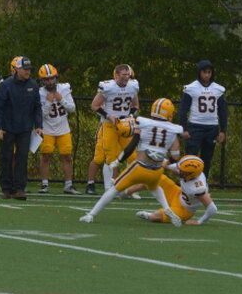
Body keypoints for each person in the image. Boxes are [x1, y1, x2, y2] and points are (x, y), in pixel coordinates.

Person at [79, 98, 184, 226]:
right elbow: (175, 156)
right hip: (157, 170)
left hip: (139, 167)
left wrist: (118, 160)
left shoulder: (143, 122)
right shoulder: (174, 130)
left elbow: (131, 146)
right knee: (155, 187)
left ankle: (91, 214)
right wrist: (166, 163)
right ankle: (167, 209)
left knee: (114, 189)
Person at [0, 57, 43, 200]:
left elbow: (37, 106)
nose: (28, 72)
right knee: (6, 157)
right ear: (17, 69)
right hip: (7, 127)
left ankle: (20, 188)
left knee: (22, 158)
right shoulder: (6, 85)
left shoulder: (33, 85)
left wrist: (38, 125)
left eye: (29, 69)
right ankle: (6, 189)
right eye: (25, 69)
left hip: (25, 128)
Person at [86, 64, 139, 195]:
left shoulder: (133, 86)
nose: (126, 77)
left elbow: (135, 106)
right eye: (123, 75)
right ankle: (108, 188)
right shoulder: (108, 87)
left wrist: (130, 115)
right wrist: (109, 116)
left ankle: (131, 188)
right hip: (109, 125)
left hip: (125, 125)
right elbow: (94, 105)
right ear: (116, 75)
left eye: (128, 75)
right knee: (109, 157)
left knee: (133, 156)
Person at [133, 155, 218, 225]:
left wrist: (199, 222)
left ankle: (149, 215)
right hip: (177, 193)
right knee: (155, 177)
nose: (179, 171)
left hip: (184, 210)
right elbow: (169, 166)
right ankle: (128, 190)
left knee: (154, 217)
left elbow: (212, 208)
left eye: (183, 171)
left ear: (191, 174)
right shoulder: (191, 172)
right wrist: (154, 159)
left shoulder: (198, 188)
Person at [178, 60, 227, 179]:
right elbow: (183, 110)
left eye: (209, 72)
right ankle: (188, 181)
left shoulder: (218, 89)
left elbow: (223, 111)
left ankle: (203, 182)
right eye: (204, 72)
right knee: (191, 157)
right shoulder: (191, 88)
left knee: (207, 158)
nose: (207, 75)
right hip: (195, 126)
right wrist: (184, 129)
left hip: (212, 127)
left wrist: (223, 130)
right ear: (199, 72)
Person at [37, 64, 80, 194]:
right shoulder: (39, 93)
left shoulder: (64, 88)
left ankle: (68, 185)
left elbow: (72, 108)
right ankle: (44, 184)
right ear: (42, 81)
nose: (50, 82)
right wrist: (48, 103)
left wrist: (62, 100)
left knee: (67, 156)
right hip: (47, 129)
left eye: (52, 78)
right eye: (47, 79)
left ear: (56, 78)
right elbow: (41, 115)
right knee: (45, 156)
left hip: (63, 129)